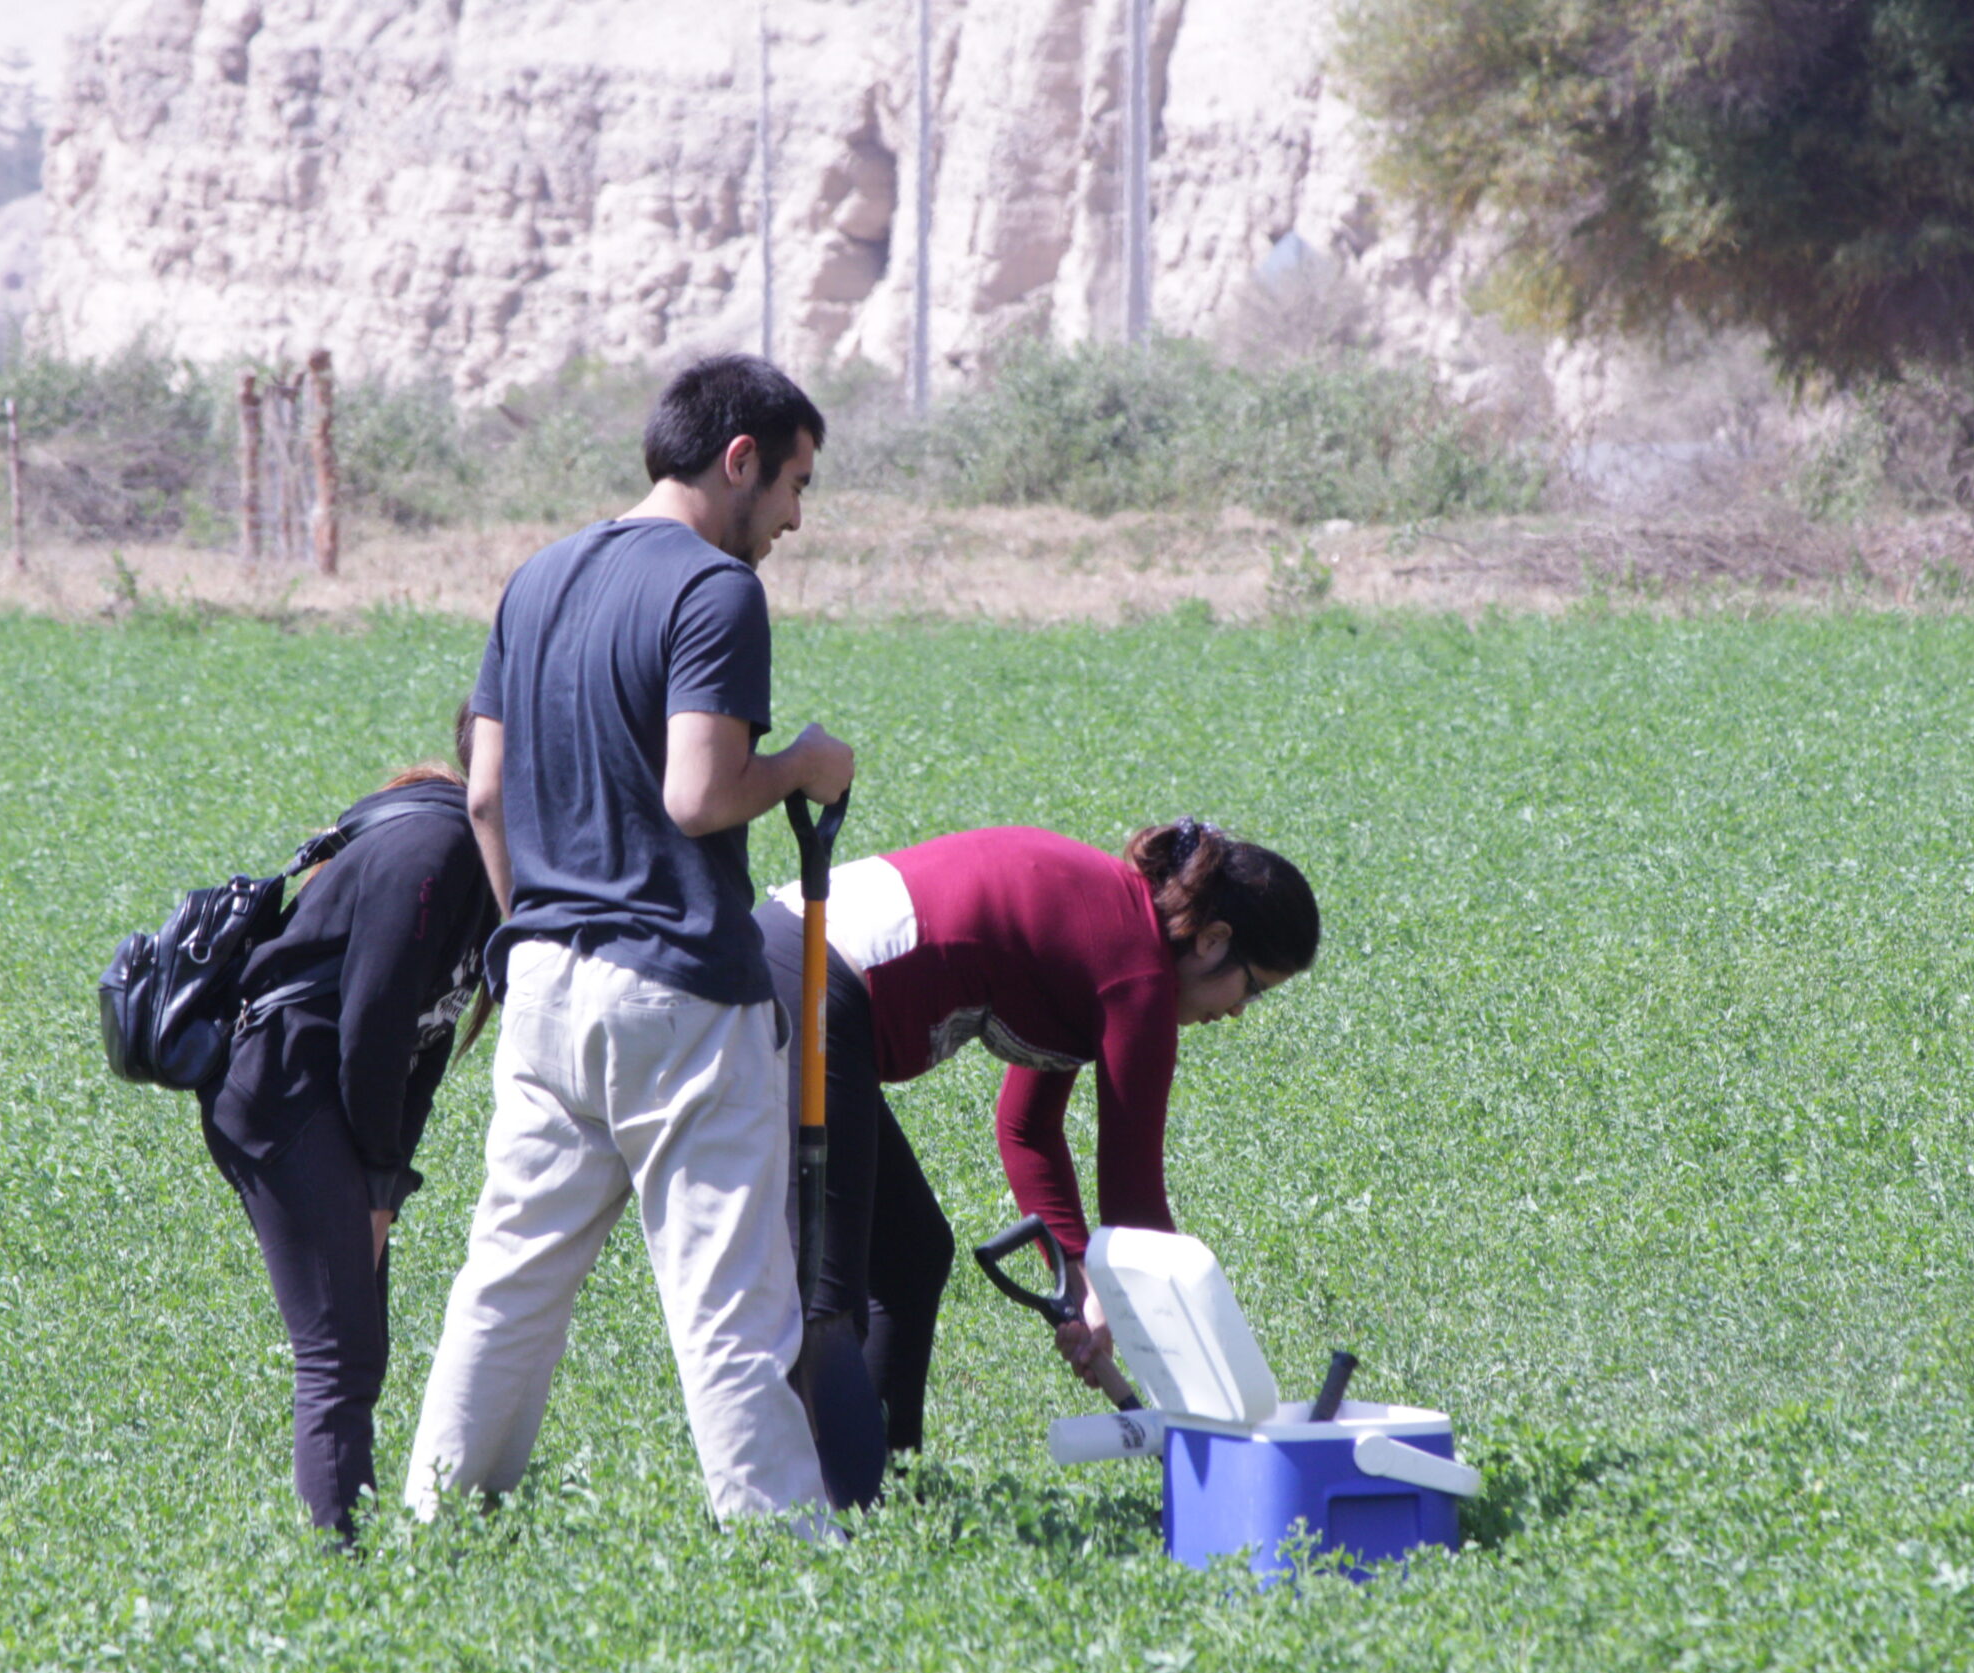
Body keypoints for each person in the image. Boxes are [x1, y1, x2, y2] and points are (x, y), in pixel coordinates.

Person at [402, 354, 855, 1533]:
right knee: (730, 1307)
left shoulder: (535, 579)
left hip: (543, 984)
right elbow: (700, 794)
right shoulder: (715, 590)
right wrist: (805, 764)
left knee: (505, 1287)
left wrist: (531, 941)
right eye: (797, 483)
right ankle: (786, 1560)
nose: (797, 519)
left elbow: (486, 797)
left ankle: (435, 1531)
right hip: (678, 999)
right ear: (738, 459)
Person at [755, 817, 1319, 1507]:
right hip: (809, 980)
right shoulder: (1136, 979)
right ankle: (839, 1521)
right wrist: (1177, 1357)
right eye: (1253, 989)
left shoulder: (1114, 935)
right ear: (1213, 941)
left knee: (908, 1256)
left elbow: (1027, 1128)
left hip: (801, 961)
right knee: (832, 1298)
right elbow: (1137, 1210)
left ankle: (890, 1501)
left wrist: (1083, 1277)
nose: (1237, 1014)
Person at [197, 718, 499, 1541]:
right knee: (341, 1355)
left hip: (325, 1096)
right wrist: (373, 1180)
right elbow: (371, 1033)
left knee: (359, 1348)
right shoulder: (437, 851)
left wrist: (386, 1189)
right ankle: (342, 1586)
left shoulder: (491, 864)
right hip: (281, 1089)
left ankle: (349, 1559)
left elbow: (423, 1048)